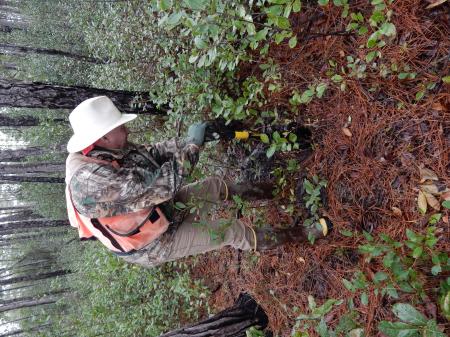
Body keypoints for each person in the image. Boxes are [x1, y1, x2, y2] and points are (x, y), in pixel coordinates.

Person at [65, 96, 331, 268]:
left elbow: (151, 155)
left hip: (158, 209)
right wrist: (193, 146)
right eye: (119, 127)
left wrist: (198, 137)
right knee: (232, 232)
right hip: (155, 242)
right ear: (101, 137)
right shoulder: (90, 182)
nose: (126, 129)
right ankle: (305, 234)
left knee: (215, 186)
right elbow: (163, 185)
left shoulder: (105, 150)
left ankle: (282, 189)